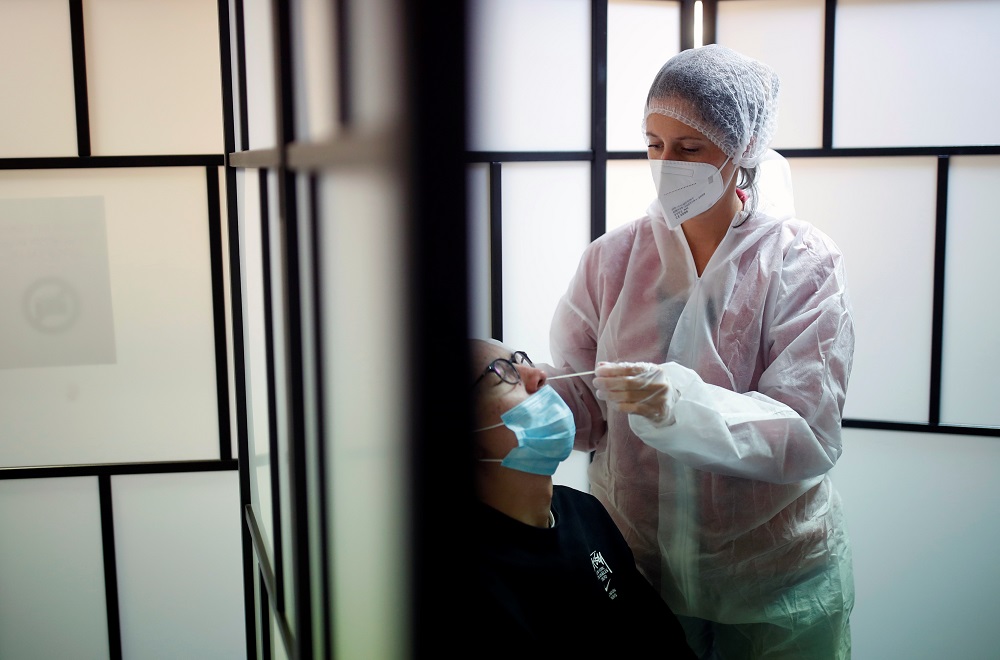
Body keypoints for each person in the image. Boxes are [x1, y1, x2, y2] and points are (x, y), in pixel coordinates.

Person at [545, 44, 856, 659]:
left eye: (689, 149)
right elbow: (588, 406)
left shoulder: (801, 262)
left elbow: (806, 435)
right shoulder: (614, 259)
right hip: (637, 568)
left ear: (742, 153)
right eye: (654, 145)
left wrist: (679, 404)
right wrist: (528, 396)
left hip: (772, 580)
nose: (666, 166)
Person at [468, 338, 696, 659]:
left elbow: (661, 636)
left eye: (522, 359)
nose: (537, 375)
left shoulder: (583, 509)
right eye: (503, 373)